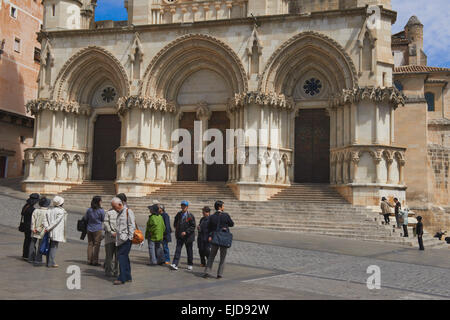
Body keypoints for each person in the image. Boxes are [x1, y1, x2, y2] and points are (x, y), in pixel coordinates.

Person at [203, 200, 234, 279]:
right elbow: (232, 224)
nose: (224, 207)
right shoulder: (226, 215)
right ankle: (219, 274)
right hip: (223, 238)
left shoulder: (212, 216)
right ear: (220, 207)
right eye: (223, 206)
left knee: (211, 256)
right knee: (222, 257)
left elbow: (208, 228)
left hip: (215, 237)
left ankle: (207, 272)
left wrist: (209, 236)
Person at [112, 197, 135, 285]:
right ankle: (128, 276)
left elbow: (131, 225)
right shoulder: (120, 213)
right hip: (120, 239)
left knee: (121, 257)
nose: (114, 209)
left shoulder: (128, 211)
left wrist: (130, 237)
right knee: (125, 258)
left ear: (120, 204)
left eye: (114, 207)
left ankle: (122, 278)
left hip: (126, 239)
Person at [170, 200, 196, 271]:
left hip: (188, 236)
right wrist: (176, 227)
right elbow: (175, 221)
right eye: (182, 205)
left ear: (187, 207)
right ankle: (175, 263)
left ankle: (190, 264)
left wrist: (186, 232)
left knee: (189, 251)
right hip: (180, 236)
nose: (183, 207)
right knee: (177, 250)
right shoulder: (179, 214)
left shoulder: (190, 215)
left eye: (184, 206)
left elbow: (193, 226)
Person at [43, 196, 67, 268]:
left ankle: (49, 261)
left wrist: (47, 227)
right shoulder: (61, 211)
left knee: (50, 246)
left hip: (49, 230)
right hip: (56, 231)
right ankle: (51, 262)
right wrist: (49, 228)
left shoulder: (49, 210)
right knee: (54, 247)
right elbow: (56, 222)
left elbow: (45, 220)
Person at [30, 197, 51, 266]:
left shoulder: (36, 210)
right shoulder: (48, 212)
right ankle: (38, 259)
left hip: (34, 229)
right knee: (41, 245)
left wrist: (33, 228)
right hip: (43, 231)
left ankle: (30, 258)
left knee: (32, 243)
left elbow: (33, 220)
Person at [84, 196, 105, 266]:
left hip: (89, 228)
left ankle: (89, 260)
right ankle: (95, 261)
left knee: (90, 244)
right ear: (99, 202)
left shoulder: (89, 210)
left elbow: (86, 218)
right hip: (97, 229)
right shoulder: (101, 211)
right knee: (97, 245)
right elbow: (103, 219)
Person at [20, 193, 40, 261]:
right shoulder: (32, 209)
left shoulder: (25, 206)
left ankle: (25, 255)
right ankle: (30, 255)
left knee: (26, 240)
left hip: (25, 226)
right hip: (30, 227)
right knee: (31, 242)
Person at [104, 204, 119, 277]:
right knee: (118, 256)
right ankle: (117, 271)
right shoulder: (123, 213)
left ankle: (109, 271)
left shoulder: (108, 213)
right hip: (119, 238)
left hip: (109, 237)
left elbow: (105, 225)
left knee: (109, 256)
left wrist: (111, 232)